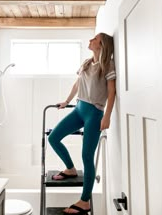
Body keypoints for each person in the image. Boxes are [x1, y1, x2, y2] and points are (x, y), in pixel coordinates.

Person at [48, 33, 116, 214]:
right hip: (79, 109)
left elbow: (111, 92)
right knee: (53, 138)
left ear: (101, 45)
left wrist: (107, 116)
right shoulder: (86, 63)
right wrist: (66, 101)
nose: (90, 40)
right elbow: (77, 85)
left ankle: (85, 201)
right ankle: (70, 169)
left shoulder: (107, 65)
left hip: (94, 113)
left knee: (87, 155)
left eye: (94, 39)